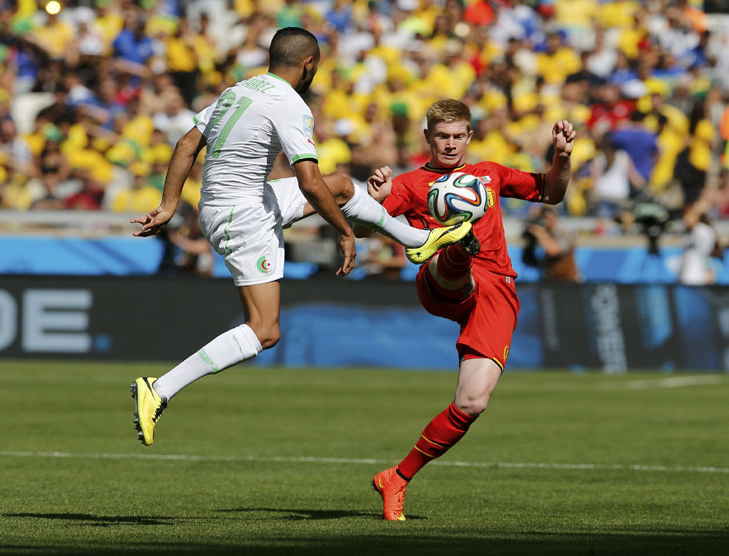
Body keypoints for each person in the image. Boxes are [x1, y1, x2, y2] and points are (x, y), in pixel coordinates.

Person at [129, 28, 472, 447]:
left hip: (231, 203)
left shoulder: (238, 91)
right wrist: (345, 232)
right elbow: (309, 182)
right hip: (245, 216)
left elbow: (186, 144)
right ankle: (159, 389)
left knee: (344, 184)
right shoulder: (290, 104)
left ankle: (417, 238)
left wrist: (167, 205)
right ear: (308, 64)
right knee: (264, 330)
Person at [362, 99, 574, 520]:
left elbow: (551, 192)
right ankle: (454, 244)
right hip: (444, 282)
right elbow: (363, 227)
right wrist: (373, 200)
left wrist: (562, 158)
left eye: (459, 136)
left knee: (472, 402)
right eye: (443, 136)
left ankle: (397, 478)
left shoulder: (490, 173)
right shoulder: (408, 184)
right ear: (428, 138)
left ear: (470, 136)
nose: (451, 144)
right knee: (451, 257)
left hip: (497, 290)